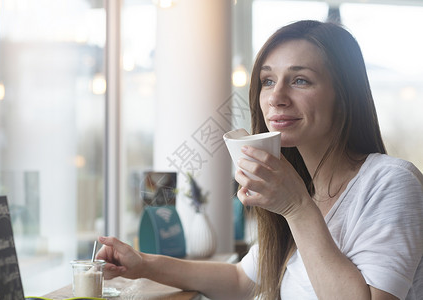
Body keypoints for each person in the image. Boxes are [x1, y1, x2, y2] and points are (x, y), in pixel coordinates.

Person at [96, 20, 423, 300]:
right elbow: (241, 280)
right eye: (268, 81)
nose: (277, 97)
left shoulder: (391, 181)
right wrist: (142, 263)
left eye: (300, 80)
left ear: (344, 96)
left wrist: (296, 207)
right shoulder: (300, 188)